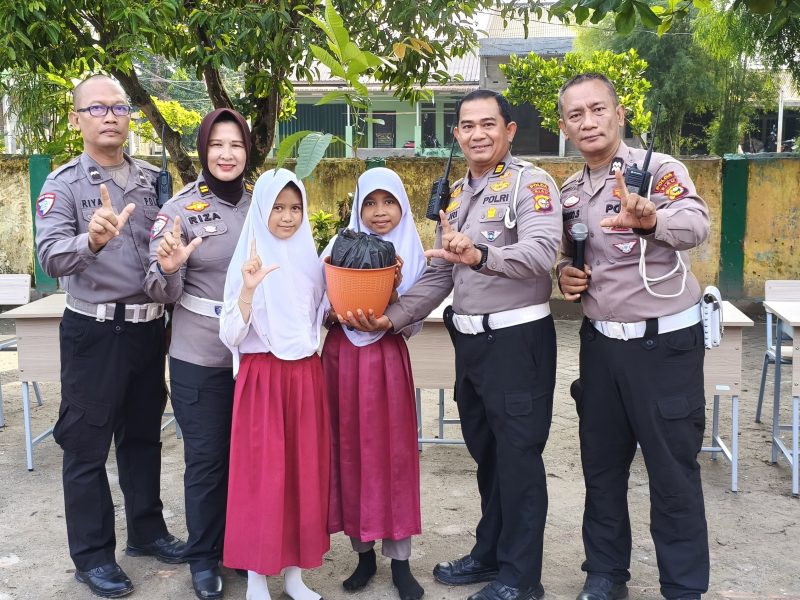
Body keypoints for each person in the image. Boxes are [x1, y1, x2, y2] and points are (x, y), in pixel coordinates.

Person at [340, 89, 562, 600]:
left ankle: (521, 578)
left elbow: (542, 252)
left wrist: (481, 254)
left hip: (517, 341)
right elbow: (441, 273)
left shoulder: (531, 184)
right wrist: (390, 319)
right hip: (472, 343)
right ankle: (490, 552)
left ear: (509, 130)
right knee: (488, 454)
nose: (477, 134)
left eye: (489, 124)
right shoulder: (457, 196)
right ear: (457, 134)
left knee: (519, 459)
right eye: (468, 125)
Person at [556, 73, 710, 600]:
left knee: (672, 472)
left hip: (663, 347)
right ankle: (604, 576)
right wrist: (564, 275)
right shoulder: (569, 192)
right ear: (564, 127)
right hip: (601, 347)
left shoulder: (657, 170)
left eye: (598, 109)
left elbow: (695, 224)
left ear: (619, 115)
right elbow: (568, 255)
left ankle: (683, 588)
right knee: (601, 466)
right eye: (576, 115)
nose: (588, 122)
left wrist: (650, 219)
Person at [35, 74, 185, 598]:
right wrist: (91, 240)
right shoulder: (64, 184)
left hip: (147, 329)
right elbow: (49, 257)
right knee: (86, 445)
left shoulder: (150, 181)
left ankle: (146, 531)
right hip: (94, 332)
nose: (110, 117)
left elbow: (163, 250)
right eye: (97, 108)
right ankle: (93, 556)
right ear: (76, 118)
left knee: (143, 437)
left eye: (119, 108)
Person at [145, 108, 252, 599]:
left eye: (236, 144)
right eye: (216, 145)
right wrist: (169, 268)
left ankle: (241, 545)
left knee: (249, 458)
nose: (227, 154)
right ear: (203, 150)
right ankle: (204, 557)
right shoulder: (179, 210)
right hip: (200, 355)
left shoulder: (263, 205)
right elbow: (157, 290)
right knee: (207, 460)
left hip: (255, 355)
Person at [219, 169, 329, 600]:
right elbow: (230, 334)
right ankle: (256, 579)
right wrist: (248, 290)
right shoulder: (248, 260)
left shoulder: (312, 262)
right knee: (261, 479)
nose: (287, 217)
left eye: (296, 207)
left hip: (305, 377)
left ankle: (295, 577)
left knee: (304, 476)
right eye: (278, 207)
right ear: (262, 208)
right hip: (262, 379)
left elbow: (319, 319)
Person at [320, 168, 427, 600]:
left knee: (393, 454)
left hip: (386, 360)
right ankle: (362, 555)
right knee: (346, 450)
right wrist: (334, 313)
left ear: (403, 206)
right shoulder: (337, 247)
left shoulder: (412, 254)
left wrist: (394, 297)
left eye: (389, 202)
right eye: (369, 203)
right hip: (342, 357)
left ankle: (400, 562)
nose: (379, 212)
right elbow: (316, 302)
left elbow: (414, 322)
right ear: (357, 208)